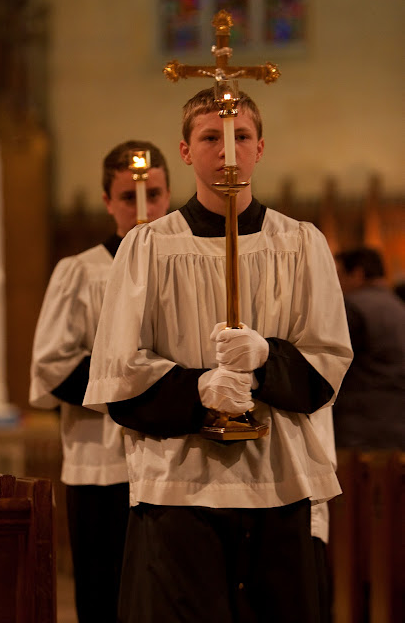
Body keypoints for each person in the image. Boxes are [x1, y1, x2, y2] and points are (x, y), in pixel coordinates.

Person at [84, 88, 353, 623]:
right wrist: (199, 388)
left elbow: (327, 364)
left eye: (241, 136)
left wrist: (268, 360)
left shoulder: (301, 244)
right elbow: (118, 375)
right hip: (179, 488)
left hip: (278, 483)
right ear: (185, 151)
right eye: (211, 137)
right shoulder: (149, 247)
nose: (227, 150)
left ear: (260, 148)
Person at [29, 140, 171, 623]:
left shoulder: (186, 263)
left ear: (169, 194)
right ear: (108, 201)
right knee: (104, 596)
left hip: (174, 465)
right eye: (129, 197)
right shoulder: (82, 271)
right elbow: (52, 365)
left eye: (153, 194)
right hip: (102, 466)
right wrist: (135, 391)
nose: (143, 207)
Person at [334, 247, 405, 450]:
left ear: (357, 274)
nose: (336, 282)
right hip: (396, 419)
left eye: (339, 274)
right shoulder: (398, 305)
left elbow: (335, 362)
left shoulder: (352, 306)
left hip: (358, 424)